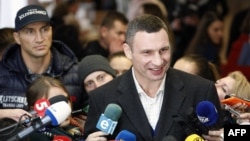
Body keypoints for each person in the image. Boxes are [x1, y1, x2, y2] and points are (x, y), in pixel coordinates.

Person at [83, 14, 223, 141]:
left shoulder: (201, 90)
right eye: (147, 52)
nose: (158, 61)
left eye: (163, 50)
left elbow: (232, 132)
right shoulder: (102, 98)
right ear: (128, 51)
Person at [0, 5, 87, 121]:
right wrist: (3, 113)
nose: (40, 38)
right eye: (30, 31)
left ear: (51, 31)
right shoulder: (2, 72)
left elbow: (91, 115)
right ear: (17, 37)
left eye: (44, 29)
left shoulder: (75, 72)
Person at [25, 76, 84, 141]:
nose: (63, 107)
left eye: (65, 100)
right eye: (54, 103)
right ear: (34, 111)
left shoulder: (79, 125)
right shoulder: (35, 136)